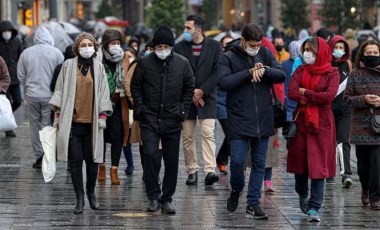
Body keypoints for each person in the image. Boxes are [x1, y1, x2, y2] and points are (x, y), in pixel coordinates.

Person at [218, 23, 286, 219]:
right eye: (252, 44)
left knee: (259, 164)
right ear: (242, 41)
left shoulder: (264, 53)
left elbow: (281, 73)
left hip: (263, 118)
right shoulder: (228, 57)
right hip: (239, 118)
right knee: (238, 161)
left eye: (258, 44)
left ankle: (253, 203)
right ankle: (236, 189)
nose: (255, 48)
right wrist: (248, 73)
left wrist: (264, 70)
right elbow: (224, 82)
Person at [131, 24, 195, 214]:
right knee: (150, 155)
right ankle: (153, 196)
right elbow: (135, 87)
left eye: (165, 47)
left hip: (172, 118)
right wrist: (141, 108)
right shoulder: (144, 63)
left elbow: (189, 87)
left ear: (171, 47)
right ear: (154, 47)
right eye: (158, 47)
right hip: (149, 117)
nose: (162, 50)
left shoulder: (182, 63)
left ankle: (167, 198)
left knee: (171, 160)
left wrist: (182, 111)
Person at [50, 32, 113, 214]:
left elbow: (103, 92)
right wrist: (58, 117)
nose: (87, 48)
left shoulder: (99, 67)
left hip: (92, 123)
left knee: (93, 161)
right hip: (73, 122)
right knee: (75, 162)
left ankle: (91, 193)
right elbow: (60, 90)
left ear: (95, 47)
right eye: (83, 45)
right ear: (77, 48)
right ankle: (79, 198)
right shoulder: (68, 66)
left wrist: (102, 116)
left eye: (90, 45)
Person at [287, 37, 339, 222]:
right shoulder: (300, 70)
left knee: (319, 166)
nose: (307, 53)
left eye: (311, 50)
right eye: (305, 49)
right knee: (300, 164)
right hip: (301, 121)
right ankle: (302, 193)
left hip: (322, 123)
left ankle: (314, 207)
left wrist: (306, 93)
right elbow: (292, 92)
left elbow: (329, 96)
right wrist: (310, 96)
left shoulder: (332, 73)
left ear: (321, 52)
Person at [174, 15, 222, 186]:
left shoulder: (215, 47)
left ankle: (210, 171)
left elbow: (218, 71)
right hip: (186, 99)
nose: (185, 31)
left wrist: (202, 91)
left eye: (188, 28)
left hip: (207, 98)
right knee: (187, 136)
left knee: (208, 134)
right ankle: (192, 171)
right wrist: (192, 93)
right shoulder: (179, 47)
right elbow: (177, 72)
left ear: (198, 30)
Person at [17, 26, 64, 169]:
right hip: (50, 97)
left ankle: (38, 156)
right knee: (48, 126)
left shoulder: (26, 53)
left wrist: (28, 85)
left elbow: (20, 75)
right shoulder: (56, 53)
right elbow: (61, 75)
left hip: (32, 96)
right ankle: (48, 155)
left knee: (35, 126)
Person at [344, 39, 380, 210]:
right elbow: (347, 99)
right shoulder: (355, 74)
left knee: (377, 164)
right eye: (369, 53)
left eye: (375, 53)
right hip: (360, 126)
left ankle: (375, 197)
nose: (372, 56)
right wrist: (364, 99)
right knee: (363, 166)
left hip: (378, 126)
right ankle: (365, 189)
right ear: (363, 54)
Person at [98, 29, 128, 185]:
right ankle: (101, 167)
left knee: (117, 136)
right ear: (105, 45)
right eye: (112, 43)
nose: (116, 46)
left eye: (118, 43)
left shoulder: (124, 59)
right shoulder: (98, 59)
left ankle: (114, 169)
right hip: (101, 105)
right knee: (101, 136)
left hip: (118, 103)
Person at [328, 35, 353, 187]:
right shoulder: (325, 65)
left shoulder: (348, 65)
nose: (338, 50)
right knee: (329, 142)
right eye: (335, 47)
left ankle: (346, 174)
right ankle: (328, 172)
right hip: (328, 109)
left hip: (345, 110)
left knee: (343, 140)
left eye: (341, 48)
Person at [0, 20, 24, 137]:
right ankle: (8, 128)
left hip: (14, 78)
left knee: (18, 101)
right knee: (7, 102)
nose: (7, 33)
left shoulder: (17, 41)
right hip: (2, 80)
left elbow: (21, 56)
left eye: (9, 30)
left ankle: (6, 117)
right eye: (4, 31)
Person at [216, 34, 234, 175]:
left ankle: (222, 158)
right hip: (220, 103)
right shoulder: (218, 61)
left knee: (233, 134)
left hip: (235, 103)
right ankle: (223, 160)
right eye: (225, 44)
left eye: (230, 44)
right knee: (230, 132)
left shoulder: (237, 59)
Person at [122, 47, 138, 175]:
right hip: (125, 107)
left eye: (130, 55)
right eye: (126, 56)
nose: (128, 58)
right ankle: (130, 164)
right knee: (126, 137)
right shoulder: (120, 69)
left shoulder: (138, 68)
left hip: (136, 106)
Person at [282, 41, 302, 121]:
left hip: (287, 95)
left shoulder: (284, 64)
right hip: (299, 95)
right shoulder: (302, 64)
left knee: (289, 124)